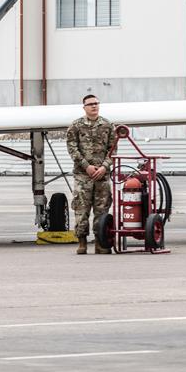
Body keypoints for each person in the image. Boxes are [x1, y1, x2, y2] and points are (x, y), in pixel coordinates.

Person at [65, 94, 116, 255]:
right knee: (81, 209)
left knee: (102, 209)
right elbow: (72, 149)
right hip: (83, 175)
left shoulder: (107, 125)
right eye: (90, 104)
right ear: (84, 107)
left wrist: (104, 167)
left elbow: (113, 150)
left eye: (96, 103)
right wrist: (87, 166)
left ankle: (100, 243)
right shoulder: (76, 126)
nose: (94, 106)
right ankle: (82, 242)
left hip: (102, 175)